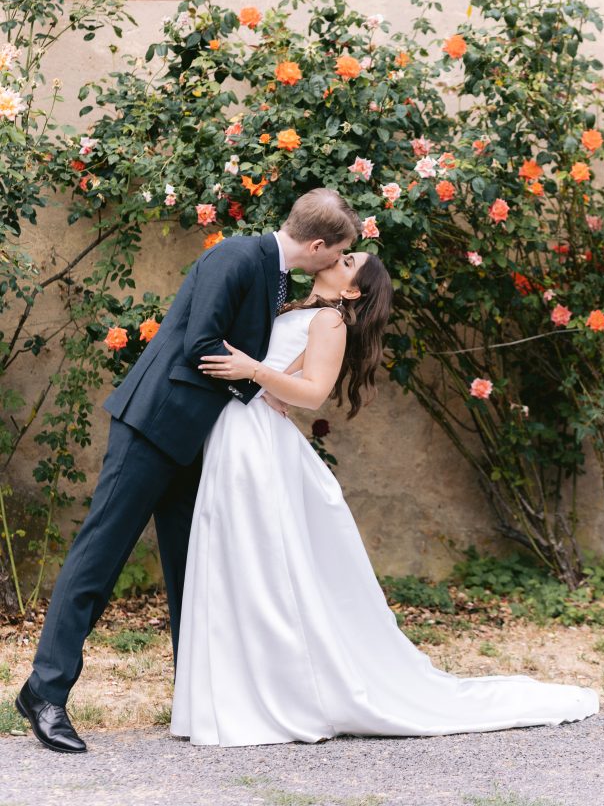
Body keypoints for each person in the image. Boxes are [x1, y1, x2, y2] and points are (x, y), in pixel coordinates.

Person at [170, 252, 599, 747]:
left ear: (352, 291)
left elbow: (313, 394)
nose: (338, 255)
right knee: (234, 558)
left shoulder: (331, 320)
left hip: (259, 441)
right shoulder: (292, 304)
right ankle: (236, 694)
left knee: (262, 562)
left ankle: (276, 696)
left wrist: (252, 371)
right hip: (238, 429)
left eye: (349, 260)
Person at [16, 188, 360, 754]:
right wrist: (259, 387)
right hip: (154, 426)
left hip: (199, 442)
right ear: (319, 246)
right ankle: (45, 693)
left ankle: (197, 698)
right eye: (340, 252)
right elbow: (202, 344)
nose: (338, 263)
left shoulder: (274, 276)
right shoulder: (238, 256)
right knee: (98, 559)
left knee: (192, 572)